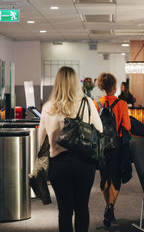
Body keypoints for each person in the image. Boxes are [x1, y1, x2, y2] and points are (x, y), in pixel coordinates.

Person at [38, 66, 103, 232]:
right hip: (84, 163)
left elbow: (41, 140)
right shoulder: (87, 103)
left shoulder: (48, 107)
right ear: (76, 83)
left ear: (57, 83)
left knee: (64, 211)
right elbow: (100, 130)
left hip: (58, 164)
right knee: (82, 207)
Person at [94, 73, 131, 228]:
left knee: (105, 177)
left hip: (102, 147)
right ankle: (110, 207)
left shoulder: (97, 104)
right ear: (114, 86)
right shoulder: (121, 104)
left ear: (101, 86)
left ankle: (109, 207)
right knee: (115, 177)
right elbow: (127, 127)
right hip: (116, 147)